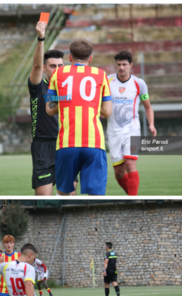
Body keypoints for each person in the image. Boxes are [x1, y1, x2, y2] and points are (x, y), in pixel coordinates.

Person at [46, 39, 113, 195]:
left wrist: (65, 99)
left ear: (70, 58)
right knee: (95, 196)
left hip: (67, 143)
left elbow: (49, 109)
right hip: (94, 143)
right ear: (90, 59)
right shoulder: (101, 74)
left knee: (62, 193)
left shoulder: (58, 73)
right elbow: (108, 111)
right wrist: (90, 104)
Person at [29, 20, 77, 196]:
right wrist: (41, 38)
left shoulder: (70, 87)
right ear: (44, 68)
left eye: (60, 66)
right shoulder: (38, 86)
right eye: (52, 66)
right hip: (43, 146)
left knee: (70, 197)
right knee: (45, 198)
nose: (57, 70)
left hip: (66, 144)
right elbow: (34, 65)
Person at [107, 50, 156, 196]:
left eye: (124, 64)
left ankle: (133, 200)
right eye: (119, 64)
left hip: (132, 129)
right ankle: (131, 196)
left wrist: (151, 124)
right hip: (113, 131)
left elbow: (148, 107)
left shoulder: (139, 83)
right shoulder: (107, 81)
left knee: (130, 163)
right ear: (116, 65)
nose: (121, 67)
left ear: (131, 65)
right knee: (119, 172)